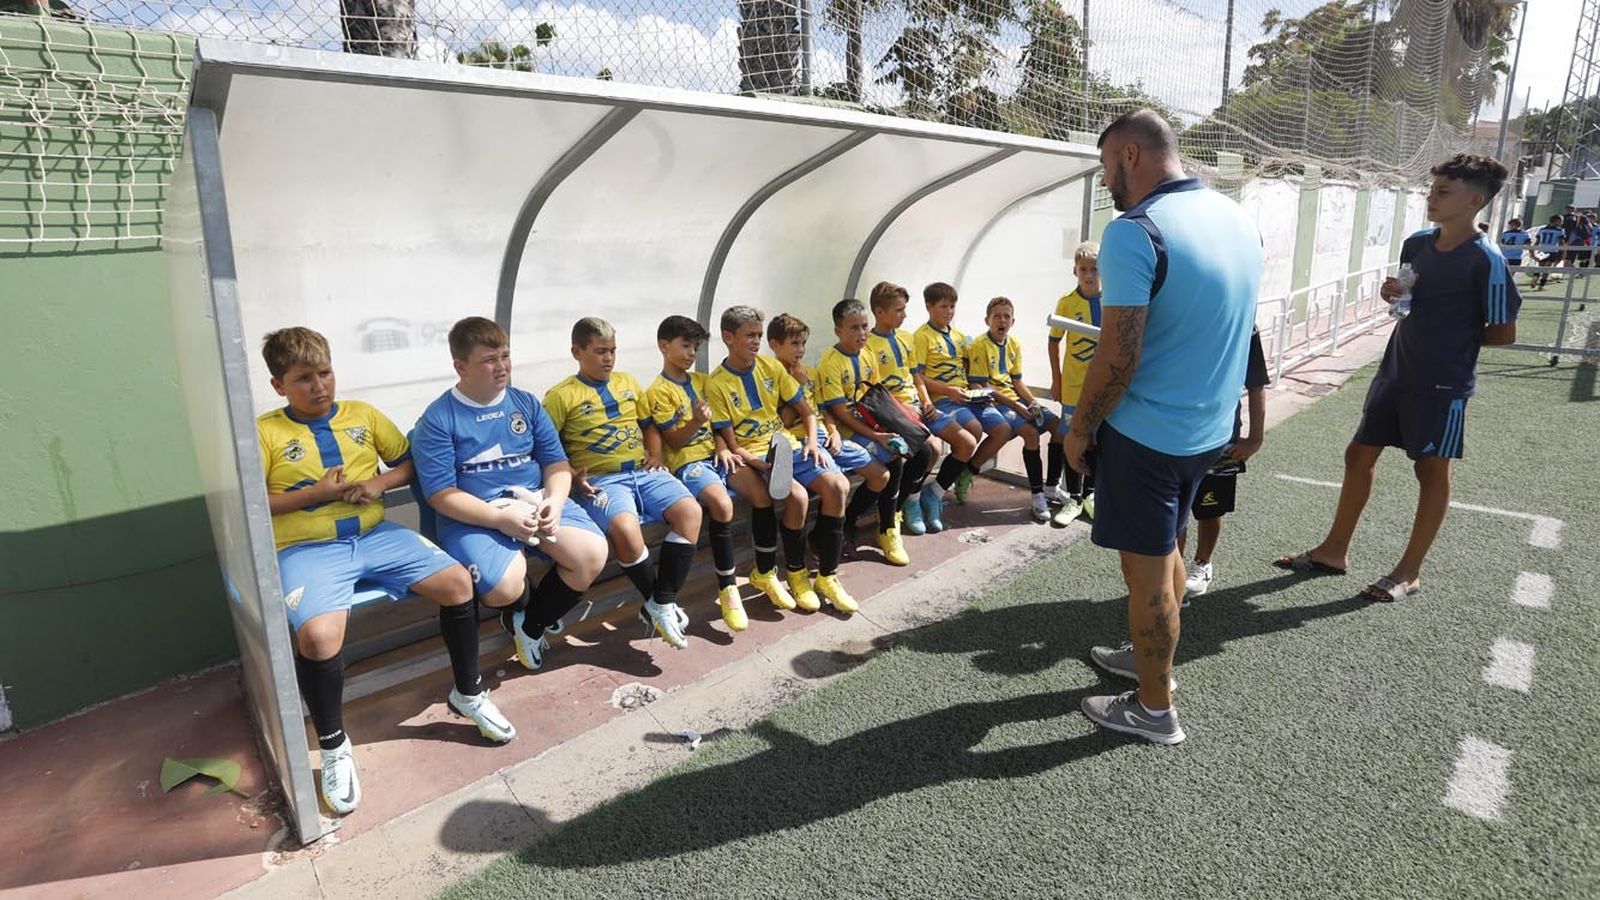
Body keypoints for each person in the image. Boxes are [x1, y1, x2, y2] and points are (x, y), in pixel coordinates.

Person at [1064, 109, 1262, 745]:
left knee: (1146, 576)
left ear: (1128, 154)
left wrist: (1079, 426)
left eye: (1105, 168)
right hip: (1208, 430)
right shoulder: (1235, 218)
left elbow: (1118, 356)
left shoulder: (1133, 230)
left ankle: (1154, 708)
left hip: (1148, 437)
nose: (1107, 184)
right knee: (1168, 549)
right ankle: (1148, 663)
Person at [257, 326, 512, 817]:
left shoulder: (362, 415)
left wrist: (377, 484)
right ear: (278, 386)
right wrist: (315, 496)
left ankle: (468, 693)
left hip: (376, 537)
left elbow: (408, 463)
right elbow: (253, 501)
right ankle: (333, 746)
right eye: (303, 378)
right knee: (318, 637)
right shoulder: (265, 431)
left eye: (325, 373)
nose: (319, 386)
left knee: (458, 582)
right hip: (308, 549)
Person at [1275, 154, 1521, 603]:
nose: (1432, 197)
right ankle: (1334, 551)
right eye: (1432, 189)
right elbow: (1408, 298)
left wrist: (1452, 340)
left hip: (1443, 385)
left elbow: (1503, 332)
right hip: (1395, 372)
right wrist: (1396, 294)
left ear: (1475, 200)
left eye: (1443, 192)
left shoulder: (1487, 261)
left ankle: (1409, 572)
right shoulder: (1417, 244)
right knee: (1358, 455)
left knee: (1429, 470)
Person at [413, 317, 609, 678]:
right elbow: (441, 495)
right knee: (502, 588)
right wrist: (501, 520)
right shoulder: (439, 419)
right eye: (489, 359)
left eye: (505, 355)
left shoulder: (526, 404)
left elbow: (556, 464)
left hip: (533, 500)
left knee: (591, 555)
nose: (501, 366)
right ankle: (517, 604)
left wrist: (554, 500)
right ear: (460, 366)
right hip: (476, 514)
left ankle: (531, 624)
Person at [545, 317, 703, 649]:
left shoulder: (628, 382)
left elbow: (649, 426)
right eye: (600, 351)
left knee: (690, 512)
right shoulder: (561, 396)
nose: (609, 359)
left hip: (643, 472)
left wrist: (656, 453)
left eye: (613, 351)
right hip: (602, 481)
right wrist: (573, 477)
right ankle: (661, 604)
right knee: (626, 529)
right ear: (577, 352)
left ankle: (660, 602)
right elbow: (547, 449)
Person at [708, 305, 857, 614]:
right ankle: (797, 573)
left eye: (759, 336)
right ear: (727, 337)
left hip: (787, 446)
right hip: (757, 455)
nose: (755, 342)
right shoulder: (716, 383)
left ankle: (828, 577)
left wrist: (814, 443)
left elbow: (806, 411)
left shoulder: (770, 368)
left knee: (838, 486)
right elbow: (734, 445)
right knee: (798, 497)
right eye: (749, 335)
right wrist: (763, 465)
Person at [645, 315, 749, 631]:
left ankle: (770, 569)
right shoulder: (658, 391)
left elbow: (718, 426)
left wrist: (721, 446)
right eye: (685, 345)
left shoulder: (703, 382)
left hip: (717, 458)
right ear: (664, 346)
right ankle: (728, 587)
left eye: (695, 347)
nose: (691, 353)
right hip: (689, 464)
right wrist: (694, 421)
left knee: (760, 490)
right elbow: (674, 439)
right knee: (722, 504)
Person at [815, 298, 911, 565]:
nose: (862, 333)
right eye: (854, 328)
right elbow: (838, 412)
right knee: (891, 457)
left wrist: (895, 423)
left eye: (864, 326)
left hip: (869, 426)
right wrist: (876, 436)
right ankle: (853, 523)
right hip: (846, 432)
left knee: (912, 448)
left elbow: (875, 397)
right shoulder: (830, 362)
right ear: (838, 331)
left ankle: (888, 523)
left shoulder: (867, 354)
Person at [1178, 327, 1269, 599]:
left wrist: (1255, 437)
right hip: (1174, 433)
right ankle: (1172, 574)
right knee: (1172, 511)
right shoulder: (1178, 312)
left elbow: (1256, 383)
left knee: (1210, 507)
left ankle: (1202, 563)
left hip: (1221, 435)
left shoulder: (1244, 325)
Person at [964, 296, 1060, 522]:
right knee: (1031, 434)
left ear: (1013, 321)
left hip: (1016, 400)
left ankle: (1052, 487)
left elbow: (1017, 381)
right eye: (997, 315)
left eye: (1006, 316)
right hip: (996, 402)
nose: (1002, 320)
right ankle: (1037, 496)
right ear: (987, 320)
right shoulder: (979, 345)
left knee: (1060, 427)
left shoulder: (1014, 344)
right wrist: (1017, 405)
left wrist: (1031, 402)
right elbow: (982, 386)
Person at [865, 281, 949, 536]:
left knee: (964, 439)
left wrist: (925, 401)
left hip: (916, 406)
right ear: (880, 312)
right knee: (931, 448)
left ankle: (910, 499)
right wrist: (906, 410)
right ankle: (903, 505)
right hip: (892, 411)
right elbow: (876, 394)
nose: (904, 315)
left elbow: (916, 376)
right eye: (899, 310)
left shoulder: (906, 338)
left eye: (904, 309)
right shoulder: (867, 344)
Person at [913, 282, 990, 530]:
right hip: (938, 401)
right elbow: (918, 377)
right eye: (943, 306)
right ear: (928, 307)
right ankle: (928, 494)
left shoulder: (958, 336)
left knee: (979, 431)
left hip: (961, 397)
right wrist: (947, 391)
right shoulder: (921, 336)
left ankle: (938, 489)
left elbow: (968, 368)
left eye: (952, 306)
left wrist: (977, 389)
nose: (949, 311)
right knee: (968, 438)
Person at [1047, 242, 1103, 527]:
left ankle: (1091, 495)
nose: (1089, 275)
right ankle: (1074, 497)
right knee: (1072, 437)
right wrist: (1056, 380)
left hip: (1103, 386)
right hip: (1072, 386)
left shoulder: (1113, 300)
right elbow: (1054, 342)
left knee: (1095, 439)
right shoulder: (1067, 303)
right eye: (1083, 270)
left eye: (1094, 269)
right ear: (1075, 271)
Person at [1533, 214, 1566, 289]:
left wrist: (1533, 251)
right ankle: (1541, 285)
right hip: (1552, 251)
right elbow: (1561, 242)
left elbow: (1537, 242)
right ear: (1556, 221)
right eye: (1561, 221)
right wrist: (1564, 252)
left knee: (1540, 266)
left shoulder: (1542, 230)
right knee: (1547, 268)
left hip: (1542, 250)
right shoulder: (1560, 230)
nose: (1562, 223)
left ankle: (1535, 277)